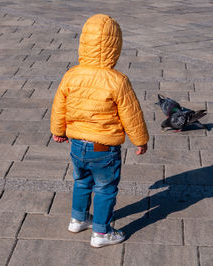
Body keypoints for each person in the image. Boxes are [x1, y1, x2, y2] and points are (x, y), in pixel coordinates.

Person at [50, 14, 149, 248]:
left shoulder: (72, 74)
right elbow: (131, 114)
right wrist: (141, 140)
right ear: (116, 46)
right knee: (105, 188)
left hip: (77, 144)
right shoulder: (117, 80)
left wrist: (58, 130)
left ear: (84, 43)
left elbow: (59, 106)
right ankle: (102, 233)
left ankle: (78, 219)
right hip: (103, 147)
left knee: (81, 182)